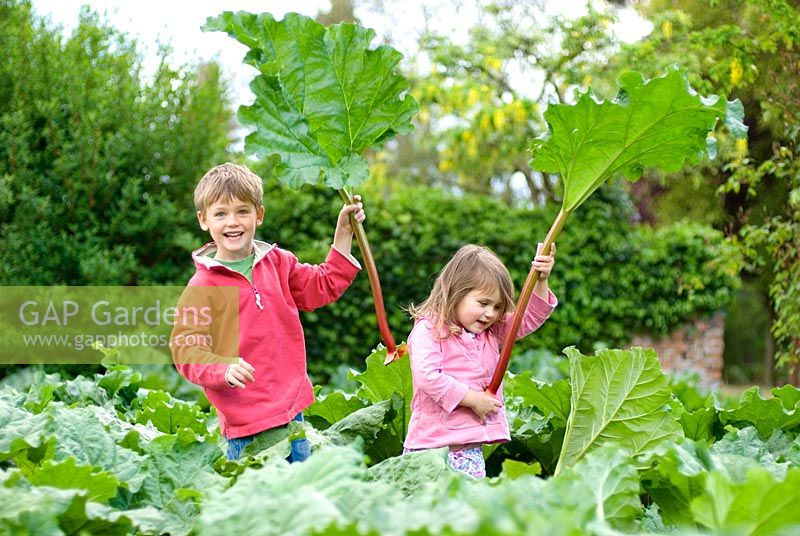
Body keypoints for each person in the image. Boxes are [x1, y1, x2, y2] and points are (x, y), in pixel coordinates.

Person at [172, 162, 365, 461]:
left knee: (300, 499)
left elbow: (321, 285)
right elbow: (186, 350)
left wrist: (343, 234)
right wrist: (221, 368)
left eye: (242, 212)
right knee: (259, 505)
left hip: (292, 415)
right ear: (203, 220)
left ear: (258, 215)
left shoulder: (279, 262)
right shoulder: (202, 286)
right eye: (220, 214)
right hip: (246, 428)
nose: (232, 222)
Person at [403, 243, 557, 478]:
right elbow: (427, 377)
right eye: (483, 303)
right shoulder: (429, 328)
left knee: (467, 511)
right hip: (430, 449)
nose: (490, 314)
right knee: (426, 511)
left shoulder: (491, 332)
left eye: (497, 307)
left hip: (468, 450)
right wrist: (473, 399)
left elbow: (526, 319)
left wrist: (541, 280)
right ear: (455, 293)